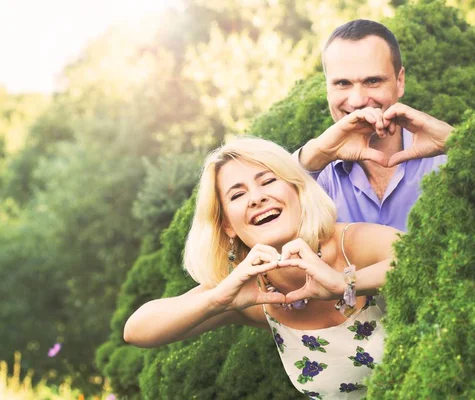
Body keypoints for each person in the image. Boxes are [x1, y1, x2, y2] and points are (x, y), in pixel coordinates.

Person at [124, 137, 401, 399]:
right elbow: (136, 330)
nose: (256, 198)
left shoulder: (351, 244)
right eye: (237, 195)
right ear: (227, 226)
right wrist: (217, 300)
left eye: (267, 181)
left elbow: (425, 255)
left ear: (298, 190)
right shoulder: (252, 296)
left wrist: (344, 283)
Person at [296, 19, 454, 232]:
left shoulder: (444, 158)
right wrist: (316, 155)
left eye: (372, 81)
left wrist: (457, 143)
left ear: (400, 82)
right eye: (342, 83)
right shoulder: (315, 175)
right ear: (327, 88)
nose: (358, 100)